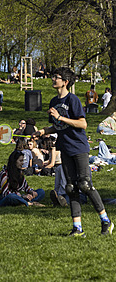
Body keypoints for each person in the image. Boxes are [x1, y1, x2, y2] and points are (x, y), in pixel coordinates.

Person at [34, 67, 112, 237]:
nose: (53, 79)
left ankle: (106, 221)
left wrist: (60, 117)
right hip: (65, 147)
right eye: (53, 76)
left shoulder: (73, 99)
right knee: (71, 188)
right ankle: (77, 228)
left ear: (66, 81)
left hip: (79, 147)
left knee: (85, 184)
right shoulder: (53, 102)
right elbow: (57, 127)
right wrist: (42, 132)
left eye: (57, 77)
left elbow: (82, 124)